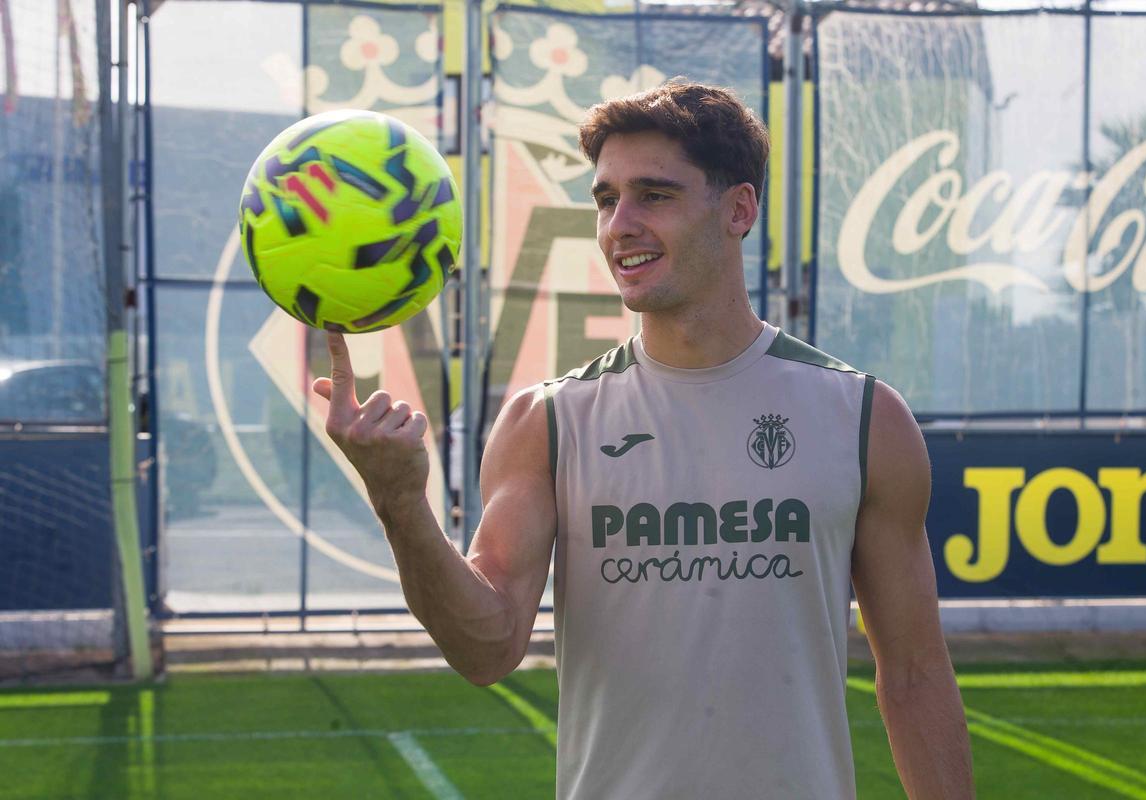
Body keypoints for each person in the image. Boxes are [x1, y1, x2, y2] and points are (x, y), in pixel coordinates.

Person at [313, 79, 973, 799]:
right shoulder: (548, 421)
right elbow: (487, 648)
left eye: (653, 195)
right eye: (606, 199)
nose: (619, 225)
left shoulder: (863, 416)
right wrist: (401, 504)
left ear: (739, 210)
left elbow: (914, 674)